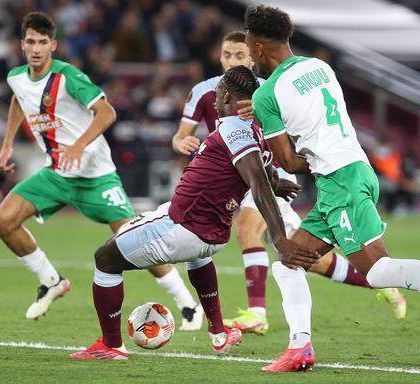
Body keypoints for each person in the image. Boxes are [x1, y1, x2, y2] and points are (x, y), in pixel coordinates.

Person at [244, 5, 420, 372]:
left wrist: (277, 142)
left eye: (246, 41)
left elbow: (289, 163)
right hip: (352, 171)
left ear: (258, 45)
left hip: (340, 180)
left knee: (379, 272)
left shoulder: (266, 95)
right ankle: (300, 347)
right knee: (289, 262)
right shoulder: (320, 67)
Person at [70, 65, 316, 360]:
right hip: (211, 234)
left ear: (224, 94)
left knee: (105, 259)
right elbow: (260, 172)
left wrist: (280, 239)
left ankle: (110, 346)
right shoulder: (254, 130)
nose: (213, 96)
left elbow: (258, 184)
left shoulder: (233, 129)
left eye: (217, 91)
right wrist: (277, 183)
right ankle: (219, 333)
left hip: (181, 226)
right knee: (197, 256)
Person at [172, 31, 406, 335]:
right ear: (219, 56)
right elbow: (180, 134)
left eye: (240, 55)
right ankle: (379, 280)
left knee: (246, 230)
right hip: (236, 178)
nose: (232, 61)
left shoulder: (272, 91)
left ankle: (257, 313)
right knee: (306, 257)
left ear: (253, 57)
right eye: (227, 54)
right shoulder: (204, 91)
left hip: (271, 174)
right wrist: (183, 141)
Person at [0, 12, 203, 331]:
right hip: (56, 174)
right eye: (31, 42)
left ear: (54, 45)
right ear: (22, 45)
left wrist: (77, 145)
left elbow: (107, 112)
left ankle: (187, 304)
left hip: (95, 175)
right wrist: (7, 143)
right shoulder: (16, 78)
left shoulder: (68, 77)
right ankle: (51, 281)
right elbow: (19, 101)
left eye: (43, 42)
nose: (36, 49)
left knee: (137, 242)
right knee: (3, 221)